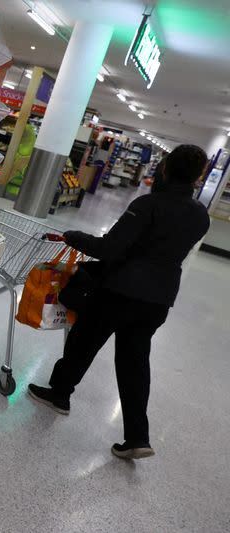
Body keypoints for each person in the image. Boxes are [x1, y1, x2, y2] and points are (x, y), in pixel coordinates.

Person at [28, 144, 210, 460]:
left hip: (121, 290)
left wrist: (73, 236)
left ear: (164, 168)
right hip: (158, 299)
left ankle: (60, 394)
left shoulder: (147, 205)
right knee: (134, 363)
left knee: (84, 341)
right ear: (199, 176)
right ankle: (138, 436)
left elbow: (109, 248)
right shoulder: (200, 216)